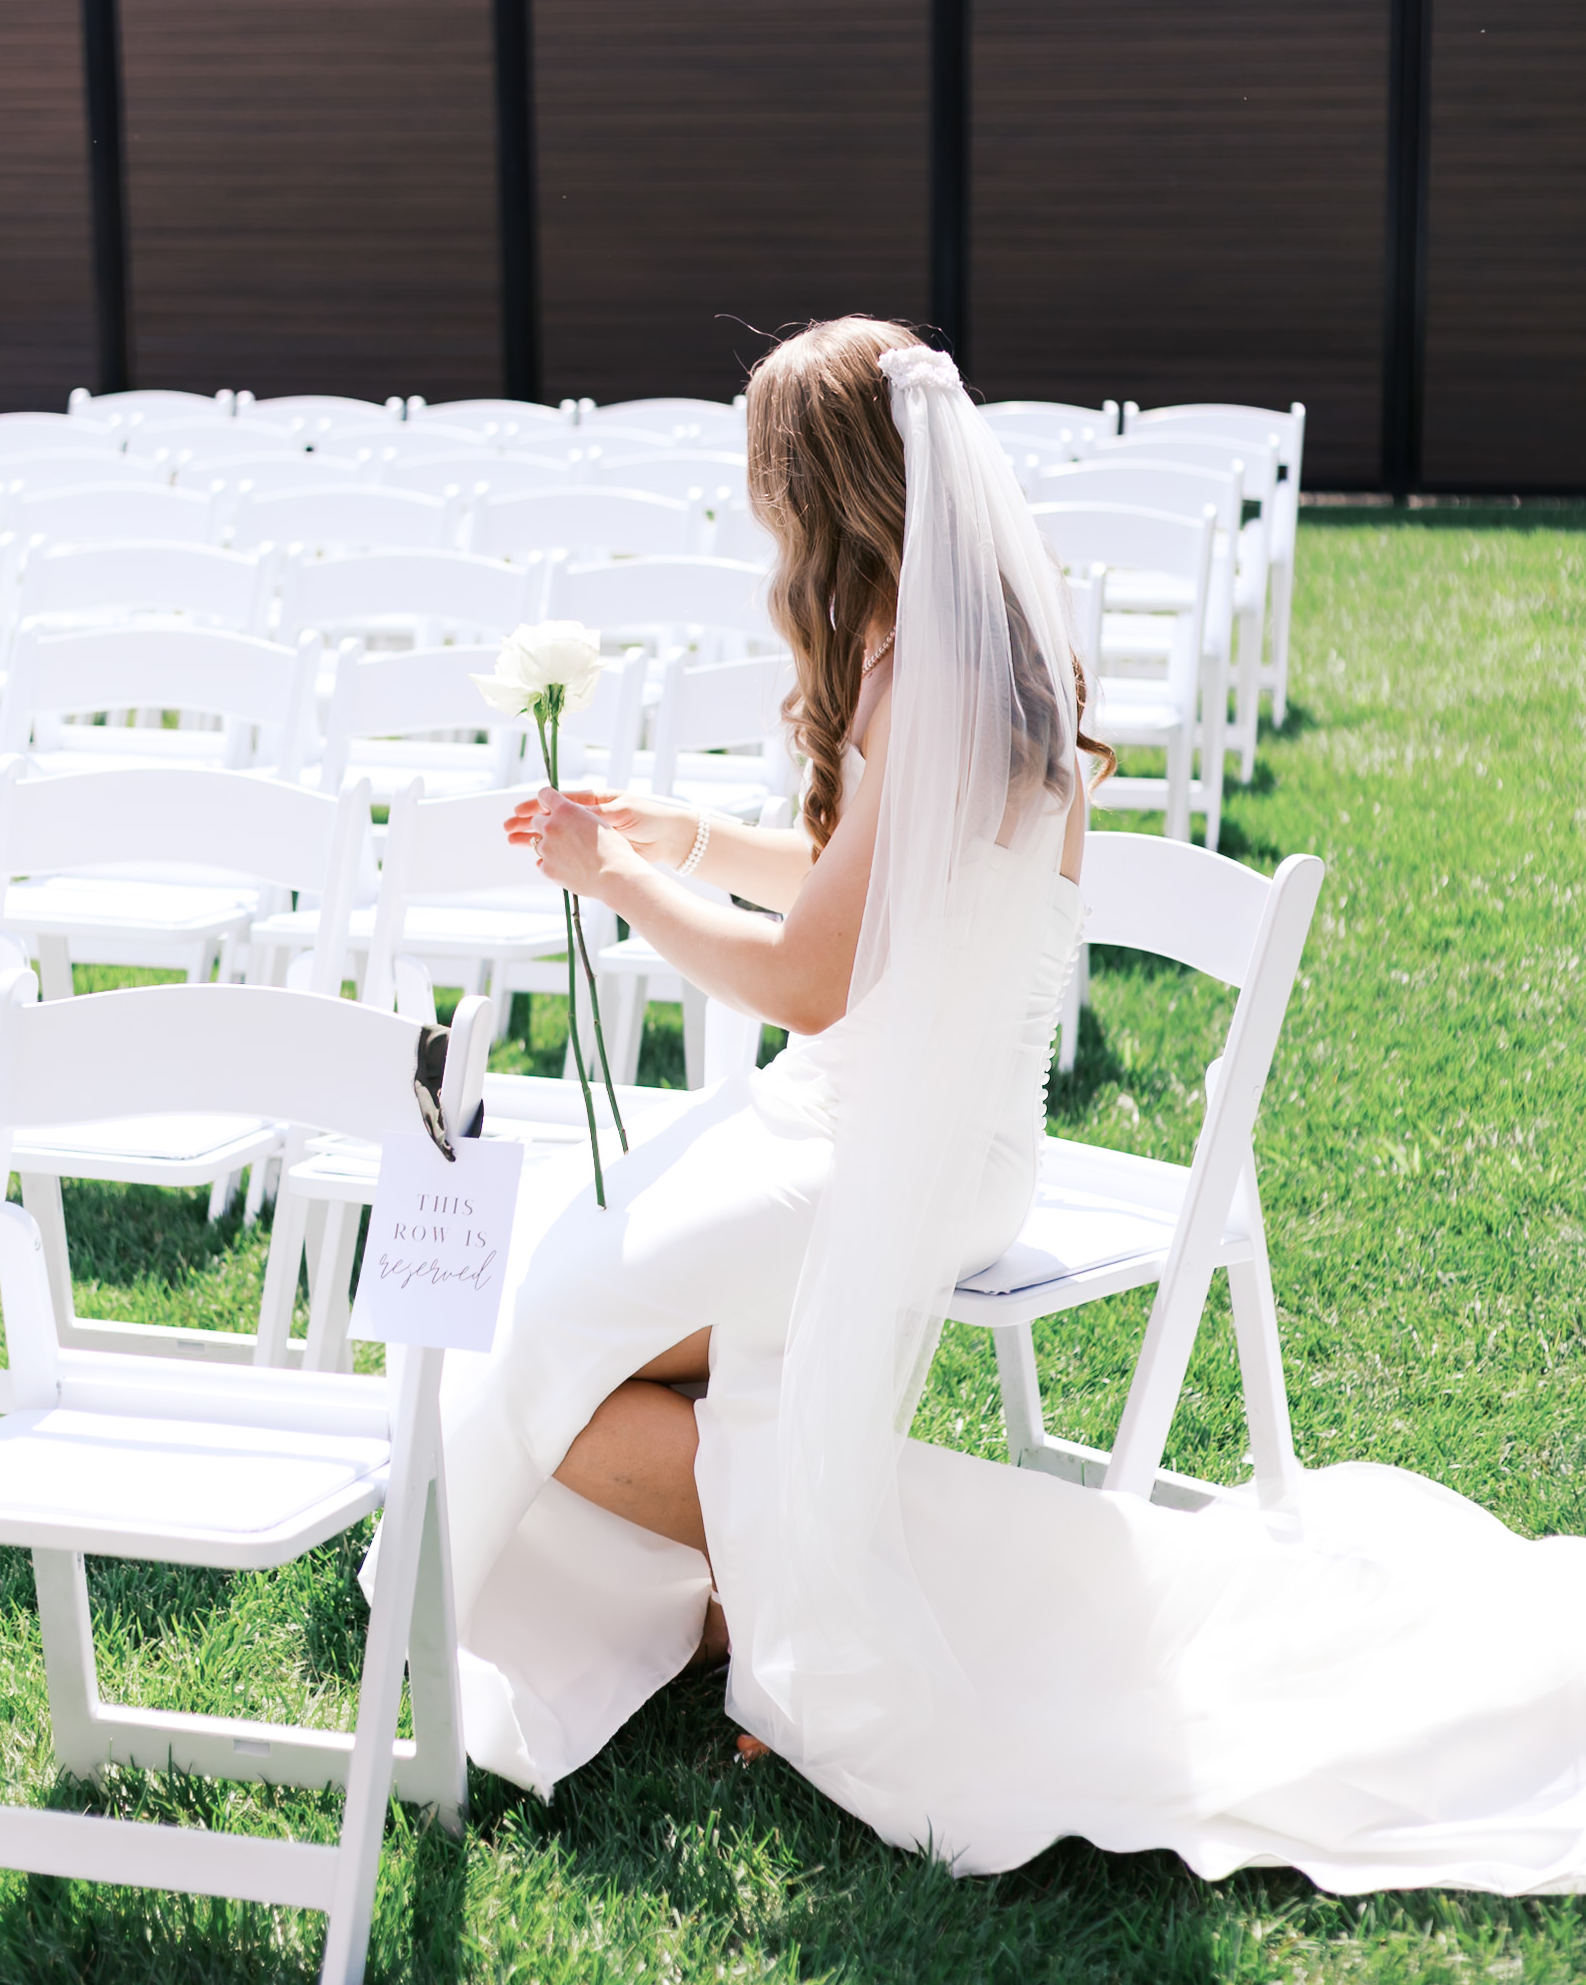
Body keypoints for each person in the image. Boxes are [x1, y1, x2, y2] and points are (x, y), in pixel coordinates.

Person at [433, 318, 1586, 1893]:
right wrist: (693, 832)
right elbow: (878, 896)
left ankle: (762, 1610)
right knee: (571, 1318)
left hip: (880, 1153)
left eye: (768, 482)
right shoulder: (970, 651)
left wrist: (613, 875)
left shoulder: (929, 679)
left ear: (822, 490)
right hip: (893, 1130)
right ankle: (767, 1596)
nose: (759, 516)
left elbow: (810, 983)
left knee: (550, 1335)